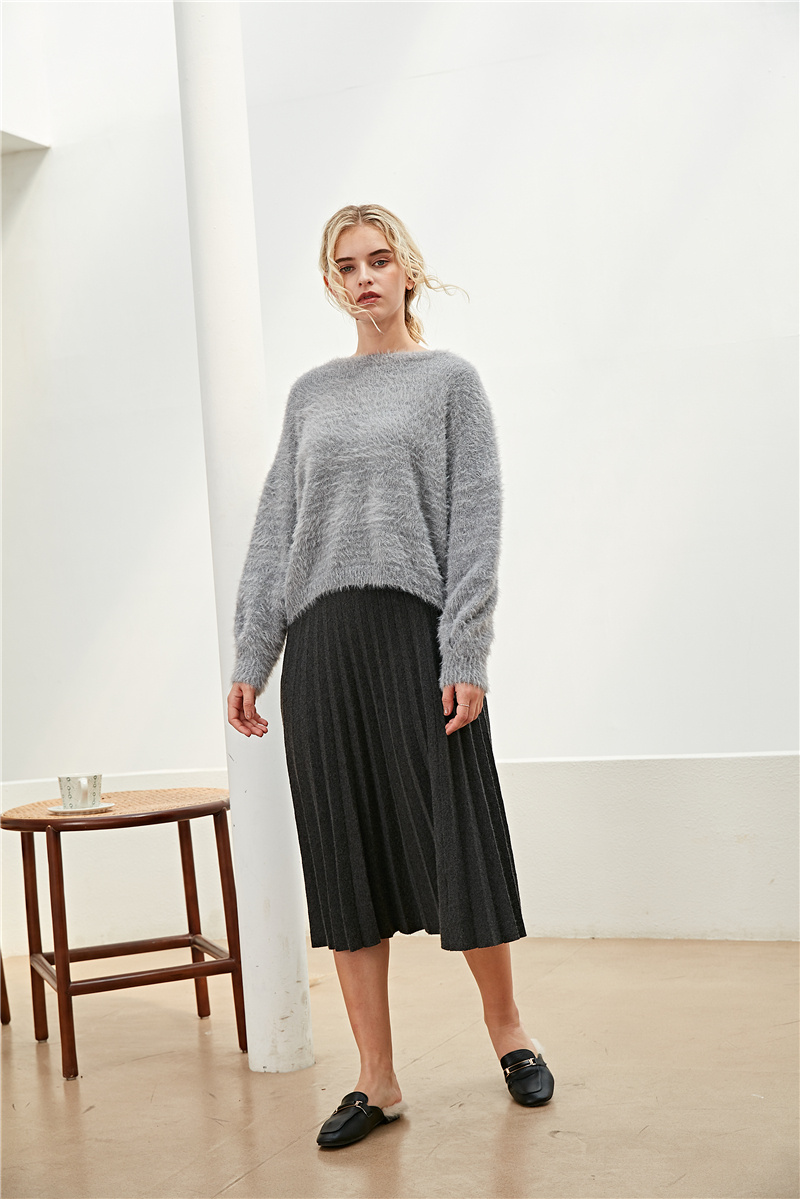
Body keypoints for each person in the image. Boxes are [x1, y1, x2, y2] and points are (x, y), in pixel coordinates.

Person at [227, 204, 554, 1149]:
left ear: (408, 269)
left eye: (378, 260)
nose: (364, 276)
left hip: (414, 639)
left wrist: (465, 650)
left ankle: (509, 1032)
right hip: (323, 649)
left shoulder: (450, 382)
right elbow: (275, 530)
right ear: (333, 282)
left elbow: (476, 521)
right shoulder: (311, 395)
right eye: (347, 265)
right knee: (344, 853)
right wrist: (252, 655)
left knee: (459, 839)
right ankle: (377, 1077)